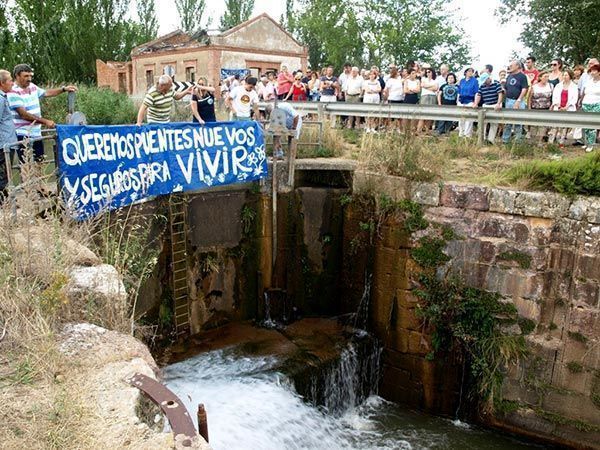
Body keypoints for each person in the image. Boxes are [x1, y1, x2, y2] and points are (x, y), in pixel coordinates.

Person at [8, 63, 77, 163]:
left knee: (40, 161)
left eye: (30, 76)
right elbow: (23, 114)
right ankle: (27, 179)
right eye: (26, 76)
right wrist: (45, 121)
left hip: (36, 132)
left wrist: (63, 89)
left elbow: (46, 93)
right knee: (25, 164)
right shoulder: (13, 92)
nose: (29, 79)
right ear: (17, 76)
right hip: (22, 133)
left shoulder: (32, 86)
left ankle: (40, 178)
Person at [548, 69, 578, 147]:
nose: (565, 77)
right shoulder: (558, 85)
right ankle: (551, 141)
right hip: (558, 107)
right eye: (564, 75)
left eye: (566, 75)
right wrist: (557, 105)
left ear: (570, 76)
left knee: (564, 126)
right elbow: (555, 97)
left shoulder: (574, 86)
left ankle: (561, 142)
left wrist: (566, 107)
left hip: (568, 108)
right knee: (555, 125)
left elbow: (574, 98)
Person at [501, 60, 529, 144]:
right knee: (507, 122)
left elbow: (524, 89)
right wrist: (502, 90)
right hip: (508, 100)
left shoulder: (522, 76)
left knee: (518, 122)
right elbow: (506, 88)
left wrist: (519, 100)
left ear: (517, 66)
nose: (510, 67)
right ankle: (505, 141)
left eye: (511, 65)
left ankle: (518, 141)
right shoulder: (509, 76)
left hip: (518, 101)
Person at [0, 69, 17, 201]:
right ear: (2, 83)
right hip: (3, 144)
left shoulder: (3, 97)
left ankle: (5, 202)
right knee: (3, 174)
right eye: (10, 80)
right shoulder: (0, 99)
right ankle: (4, 204)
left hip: (7, 141)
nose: (12, 83)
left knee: (6, 173)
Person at [473, 75, 503, 144]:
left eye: (485, 81)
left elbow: (500, 94)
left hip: (495, 104)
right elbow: (479, 95)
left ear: (488, 79)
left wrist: (498, 103)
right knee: (483, 122)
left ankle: (490, 140)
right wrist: (476, 103)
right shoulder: (482, 86)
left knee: (494, 123)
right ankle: (482, 138)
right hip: (486, 104)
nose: (484, 83)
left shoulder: (496, 84)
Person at [527, 71, 553, 143]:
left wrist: (551, 106)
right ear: (540, 77)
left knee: (543, 126)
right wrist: (529, 108)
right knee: (534, 125)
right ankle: (532, 141)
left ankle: (539, 141)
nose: (546, 78)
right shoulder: (534, 87)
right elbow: (529, 98)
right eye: (545, 76)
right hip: (535, 108)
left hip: (546, 108)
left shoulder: (550, 86)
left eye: (548, 77)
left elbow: (552, 98)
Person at [581, 63, 600, 152]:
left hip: (596, 104)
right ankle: (586, 142)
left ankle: (591, 144)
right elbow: (584, 92)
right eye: (591, 71)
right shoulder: (588, 81)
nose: (592, 73)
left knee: (592, 125)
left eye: (594, 71)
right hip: (586, 103)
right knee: (585, 124)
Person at [457, 67, 478, 138]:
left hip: (470, 100)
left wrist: (475, 102)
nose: (470, 72)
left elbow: (476, 92)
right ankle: (461, 134)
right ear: (465, 72)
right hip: (461, 100)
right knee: (461, 118)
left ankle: (467, 135)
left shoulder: (474, 81)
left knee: (469, 119)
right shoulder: (462, 81)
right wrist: (457, 101)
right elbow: (459, 92)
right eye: (469, 71)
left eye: (472, 71)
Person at [417, 67, 438, 134]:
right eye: (427, 72)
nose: (427, 73)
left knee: (430, 114)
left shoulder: (435, 80)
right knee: (422, 114)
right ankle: (418, 130)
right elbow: (422, 85)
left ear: (432, 72)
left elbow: (436, 88)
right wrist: (431, 87)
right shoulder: (423, 79)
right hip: (424, 96)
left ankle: (427, 131)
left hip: (432, 97)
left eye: (429, 72)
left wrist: (427, 87)